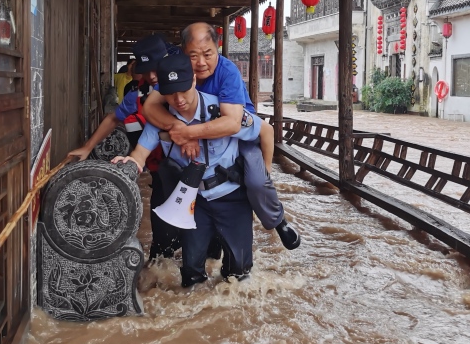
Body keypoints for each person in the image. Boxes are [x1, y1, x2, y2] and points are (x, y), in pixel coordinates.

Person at [141, 22, 300, 251]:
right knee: (173, 176)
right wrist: (180, 128)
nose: (201, 63)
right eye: (193, 56)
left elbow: (233, 123)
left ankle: (277, 221)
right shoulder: (178, 70)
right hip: (197, 138)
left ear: (218, 48)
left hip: (236, 136)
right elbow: (150, 107)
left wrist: (189, 133)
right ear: (183, 53)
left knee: (257, 180)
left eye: (208, 54)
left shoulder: (227, 71)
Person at [113, 54, 259, 287]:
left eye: (183, 90)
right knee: (191, 273)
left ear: (193, 80)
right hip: (193, 203)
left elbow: (261, 132)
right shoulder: (160, 120)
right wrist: (128, 162)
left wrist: (264, 182)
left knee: (239, 273)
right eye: (170, 93)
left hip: (232, 199)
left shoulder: (223, 111)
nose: (178, 99)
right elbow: (140, 153)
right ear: (161, 90)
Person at [68, 35, 182, 261]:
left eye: (155, 69)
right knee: (161, 240)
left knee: (198, 237)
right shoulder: (139, 92)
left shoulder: (182, 87)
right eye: (146, 70)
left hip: (189, 169)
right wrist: (87, 147)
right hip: (160, 170)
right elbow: (114, 118)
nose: (151, 76)